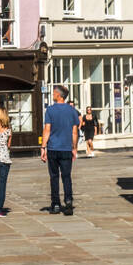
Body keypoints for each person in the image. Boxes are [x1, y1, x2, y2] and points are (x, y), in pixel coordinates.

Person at [40, 85, 82, 215]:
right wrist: (74, 148)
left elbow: (47, 129)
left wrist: (43, 147)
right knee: (66, 176)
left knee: (54, 177)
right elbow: (75, 132)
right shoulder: (72, 111)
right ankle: (68, 201)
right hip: (66, 148)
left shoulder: (50, 110)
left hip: (53, 148)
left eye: (53, 93)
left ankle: (56, 204)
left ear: (59, 95)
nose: (52, 95)